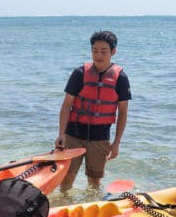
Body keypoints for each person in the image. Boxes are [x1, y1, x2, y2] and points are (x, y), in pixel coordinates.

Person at [54, 30, 131, 191]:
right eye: (95, 51)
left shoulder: (121, 78)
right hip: (74, 134)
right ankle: (63, 206)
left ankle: (91, 210)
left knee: (94, 183)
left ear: (113, 52)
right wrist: (61, 133)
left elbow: (123, 112)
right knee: (66, 180)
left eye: (103, 51)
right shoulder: (79, 74)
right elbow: (67, 104)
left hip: (100, 137)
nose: (98, 55)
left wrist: (116, 143)